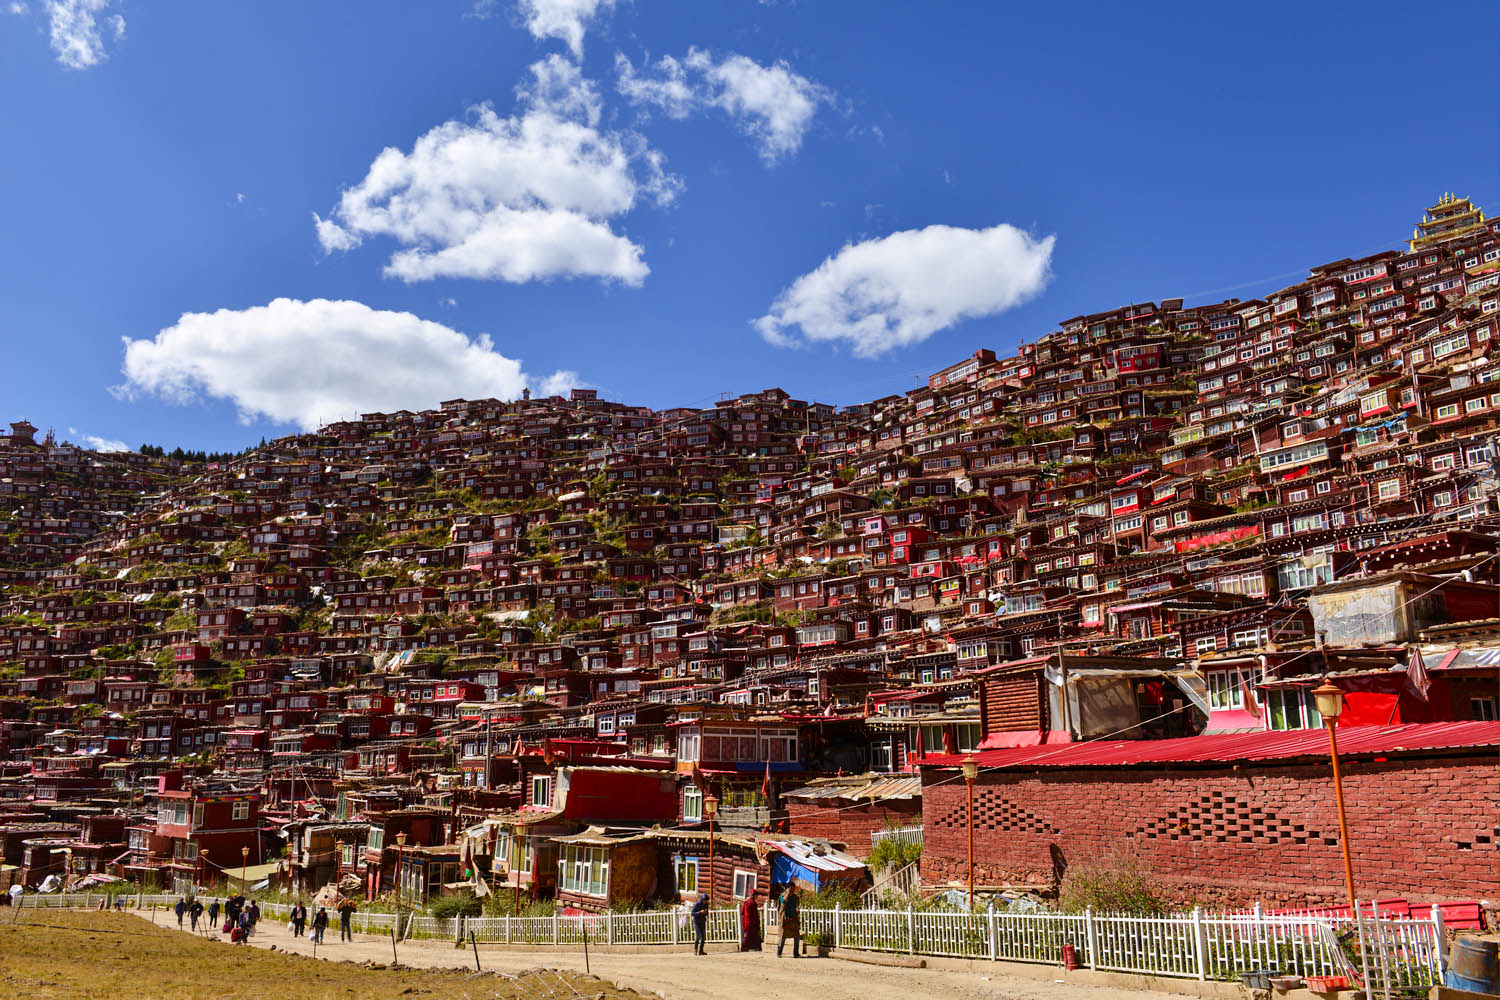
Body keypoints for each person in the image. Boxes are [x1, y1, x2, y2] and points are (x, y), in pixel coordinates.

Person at [776, 885, 800, 958]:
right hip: (785, 919)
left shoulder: (795, 897)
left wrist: (797, 909)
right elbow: (783, 903)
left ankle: (796, 953)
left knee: (797, 936)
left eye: (793, 889)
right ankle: (779, 952)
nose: (792, 891)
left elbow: (797, 905)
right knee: (783, 937)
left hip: (793, 919)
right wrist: (788, 894)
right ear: (787, 889)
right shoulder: (782, 896)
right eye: (790, 889)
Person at [690, 891, 709, 956]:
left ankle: (701, 950)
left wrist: (705, 912)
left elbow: (707, 913)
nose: (705, 902)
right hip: (697, 922)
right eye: (704, 900)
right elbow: (692, 913)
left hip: (703, 921)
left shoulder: (706, 904)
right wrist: (699, 912)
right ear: (702, 899)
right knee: (698, 937)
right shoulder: (697, 904)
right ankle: (695, 950)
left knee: (703, 937)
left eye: (706, 901)